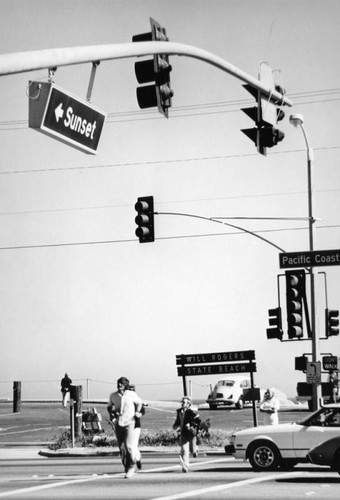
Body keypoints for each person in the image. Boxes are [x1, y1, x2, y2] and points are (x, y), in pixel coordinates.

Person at [107, 377, 143, 479]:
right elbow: (110, 406)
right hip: (119, 422)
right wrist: (113, 414)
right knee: (121, 447)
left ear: (126, 385)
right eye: (118, 384)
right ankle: (127, 468)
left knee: (129, 446)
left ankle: (132, 466)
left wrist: (138, 412)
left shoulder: (130, 394)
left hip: (130, 422)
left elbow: (139, 402)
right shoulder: (113, 395)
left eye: (121, 384)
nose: (119, 386)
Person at [173, 396, 201, 473]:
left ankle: (196, 449)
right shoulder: (179, 412)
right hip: (184, 434)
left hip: (191, 434)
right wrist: (175, 425)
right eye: (181, 402)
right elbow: (178, 420)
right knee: (185, 451)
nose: (182, 403)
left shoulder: (191, 412)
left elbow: (198, 421)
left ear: (188, 404)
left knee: (192, 451)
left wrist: (190, 424)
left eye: (183, 402)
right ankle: (185, 466)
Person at [128, 384, 146, 471]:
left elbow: (142, 410)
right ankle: (138, 457)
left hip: (136, 425)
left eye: (132, 390)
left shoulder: (137, 400)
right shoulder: (125, 400)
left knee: (133, 445)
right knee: (130, 445)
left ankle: (133, 462)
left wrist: (139, 414)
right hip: (127, 425)